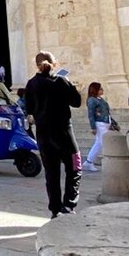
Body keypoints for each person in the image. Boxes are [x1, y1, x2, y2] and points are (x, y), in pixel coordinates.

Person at [24, 51, 82, 219]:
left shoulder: (31, 84)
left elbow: (29, 108)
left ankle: (55, 208)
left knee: (51, 172)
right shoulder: (62, 81)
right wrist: (72, 85)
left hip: (43, 133)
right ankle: (69, 204)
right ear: (54, 63)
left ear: (36, 65)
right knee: (74, 167)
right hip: (64, 131)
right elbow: (76, 102)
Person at [82, 82, 111, 173]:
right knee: (100, 142)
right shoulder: (92, 100)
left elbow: (107, 112)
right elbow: (91, 114)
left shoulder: (100, 100)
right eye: (100, 89)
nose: (102, 90)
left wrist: (113, 123)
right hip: (99, 123)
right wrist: (93, 127)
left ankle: (89, 161)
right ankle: (89, 161)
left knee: (101, 142)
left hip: (105, 122)